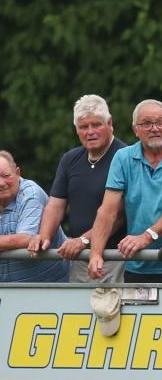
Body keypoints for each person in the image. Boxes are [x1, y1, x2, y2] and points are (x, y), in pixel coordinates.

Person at [87, 99, 162, 283]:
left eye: (160, 122)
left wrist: (147, 237)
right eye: (146, 123)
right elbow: (107, 210)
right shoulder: (123, 157)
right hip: (138, 264)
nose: (155, 128)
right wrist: (95, 254)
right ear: (135, 129)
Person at [27, 95, 127, 282]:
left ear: (110, 123)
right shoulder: (70, 159)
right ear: (76, 130)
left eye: (96, 125)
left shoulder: (125, 156)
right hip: (78, 257)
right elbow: (55, 205)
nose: (90, 132)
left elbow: (118, 215)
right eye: (83, 127)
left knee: (112, 310)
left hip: (116, 257)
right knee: (78, 311)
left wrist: (83, 240)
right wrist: (44, 237)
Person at [0, 150, 68, 282]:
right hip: (7, 293)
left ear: (17, 173)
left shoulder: (31, 193)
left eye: (6, 175)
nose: (1, 183)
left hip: (50, 289)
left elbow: (25, 239)